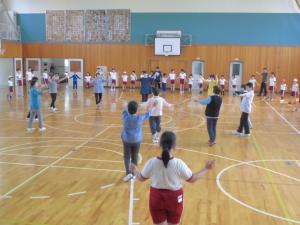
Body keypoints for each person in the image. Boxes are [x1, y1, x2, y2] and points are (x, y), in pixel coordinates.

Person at [131, 131, 216, 225]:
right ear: (174, 146)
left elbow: (141, 178)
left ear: (160, 144)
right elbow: (192, 179)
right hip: (175, 199)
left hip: (156, 198)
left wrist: (135, 170)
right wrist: (207, 168)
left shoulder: (152, 162)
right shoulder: (179, 163)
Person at [121, 100, 155, 182]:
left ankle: (128, 173)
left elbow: (125, 110)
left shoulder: (125, 116)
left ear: (128, 109)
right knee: (134, 156)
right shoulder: (139, 118)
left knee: (126, 156)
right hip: (137, 140)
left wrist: (125, 106)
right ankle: (133, 173)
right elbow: (149, 113)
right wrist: (152, 106)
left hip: (126, 139)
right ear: (136, 110)